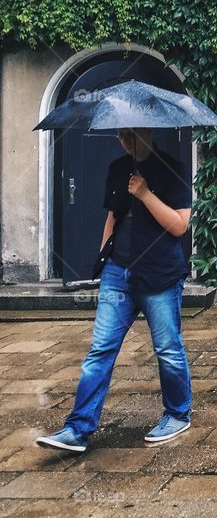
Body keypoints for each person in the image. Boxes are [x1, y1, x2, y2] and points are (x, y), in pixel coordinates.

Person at [36, 127, 194, 453]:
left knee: (167, 349)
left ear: (148, 131)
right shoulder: (117, 169)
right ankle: (77, 429)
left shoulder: (173, 169)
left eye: (130, 135)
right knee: (100, 350)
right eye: (120, 135)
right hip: (118, 273)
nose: (124, 141)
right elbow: (113, 217)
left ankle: (178, 414)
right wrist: (104, 259)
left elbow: (179, 225)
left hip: (160, 275)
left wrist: (146, 194)